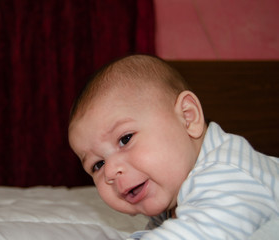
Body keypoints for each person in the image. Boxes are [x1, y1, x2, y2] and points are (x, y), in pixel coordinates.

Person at [68, 54, 279, 239]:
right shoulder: (172, 199)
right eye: (98, 164)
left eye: (125, 139)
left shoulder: (229, 172)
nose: (110, 172)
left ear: (188, 117)